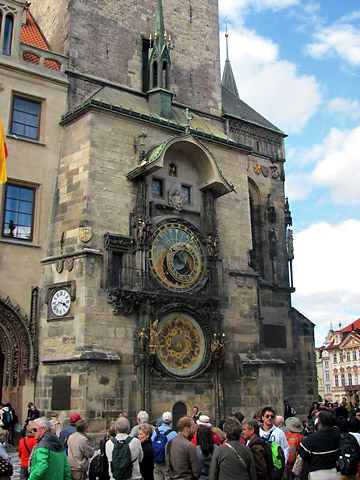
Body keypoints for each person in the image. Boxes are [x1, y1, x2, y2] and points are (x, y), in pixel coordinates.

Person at [299, 410, 340, 480]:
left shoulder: (312, 438)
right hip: (334, 473)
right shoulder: (336, 433)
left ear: (318, 423)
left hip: (317, 474)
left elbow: (303, 455)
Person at [152, 411, 177, 480]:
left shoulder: (155, 431)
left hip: (156, 462)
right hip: (167, 463)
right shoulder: (173, 433)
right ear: (171, 421)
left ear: (162, 420)